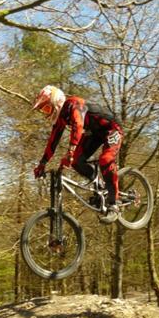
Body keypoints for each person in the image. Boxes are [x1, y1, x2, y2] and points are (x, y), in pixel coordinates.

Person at [32, 85, 124, 223]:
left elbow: (78, 125)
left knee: (105, 159)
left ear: (56, 101)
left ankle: (114, 204)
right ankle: (100, 186)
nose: (46, 113)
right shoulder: (61, 118)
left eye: (47, 108)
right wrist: (42, 163)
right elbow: (53, 141)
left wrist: (70, 151)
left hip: (112, 128)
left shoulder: (73, 104)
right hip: (95, 133)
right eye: (44, 110)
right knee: (76, 161)